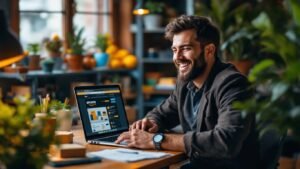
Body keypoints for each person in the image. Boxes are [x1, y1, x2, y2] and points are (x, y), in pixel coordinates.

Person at [116, 15, 259, 169]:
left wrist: (156, 140)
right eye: (174, 50)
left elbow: (226, 142)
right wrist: (151, 124)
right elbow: (161, 114)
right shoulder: (185, 84)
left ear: (209, 50)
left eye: (186, 48)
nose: (177, 58)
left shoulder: (233, 84)